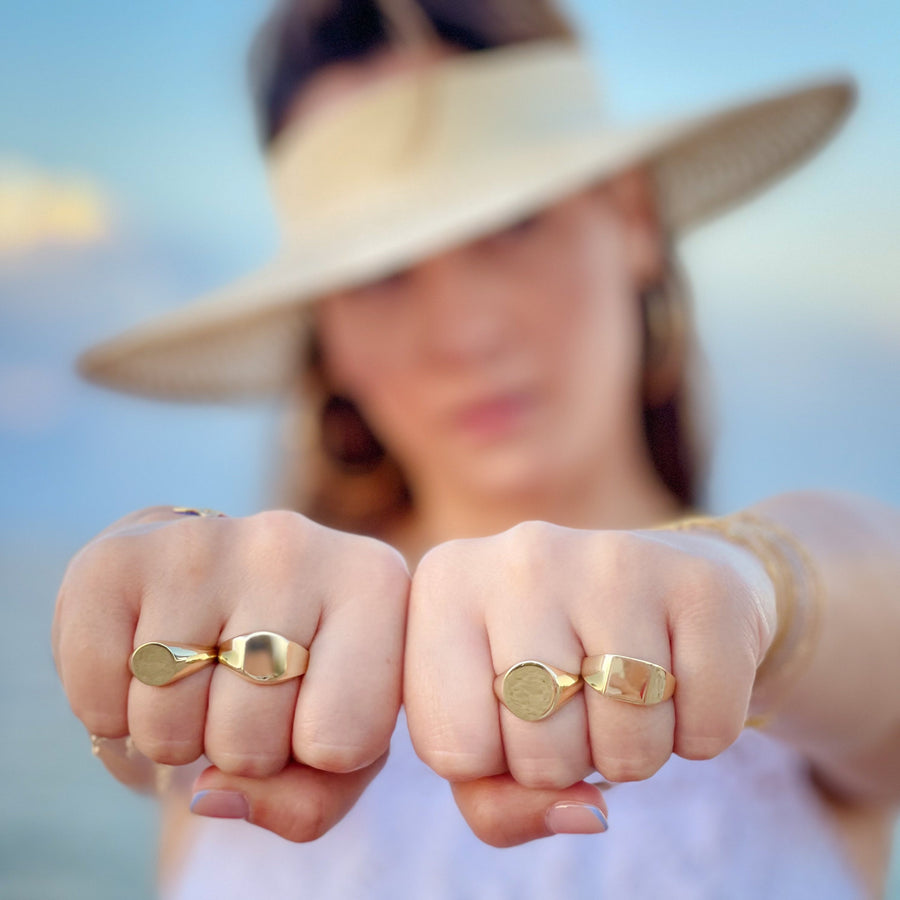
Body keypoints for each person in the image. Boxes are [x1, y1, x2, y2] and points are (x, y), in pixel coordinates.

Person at [53, 1, 900, 897]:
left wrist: (756, 586)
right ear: (328, 334)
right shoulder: (249, 666)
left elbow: (860, 606)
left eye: (515, 223)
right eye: (381, 271)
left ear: (634, 220)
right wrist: (142, 633)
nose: (464, 332)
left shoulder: (794, 656)